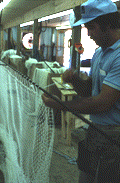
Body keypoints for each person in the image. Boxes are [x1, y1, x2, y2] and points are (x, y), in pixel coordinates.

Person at [42, 0, 120, 182]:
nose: (88, 34)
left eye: (91, 27)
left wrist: (60, 104)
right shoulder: (100, 53)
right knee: (85, 177)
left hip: (115, 136)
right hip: (96, 131)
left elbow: (102, 103)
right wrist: (75, 80)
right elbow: (90, 92)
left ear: (108, 24)